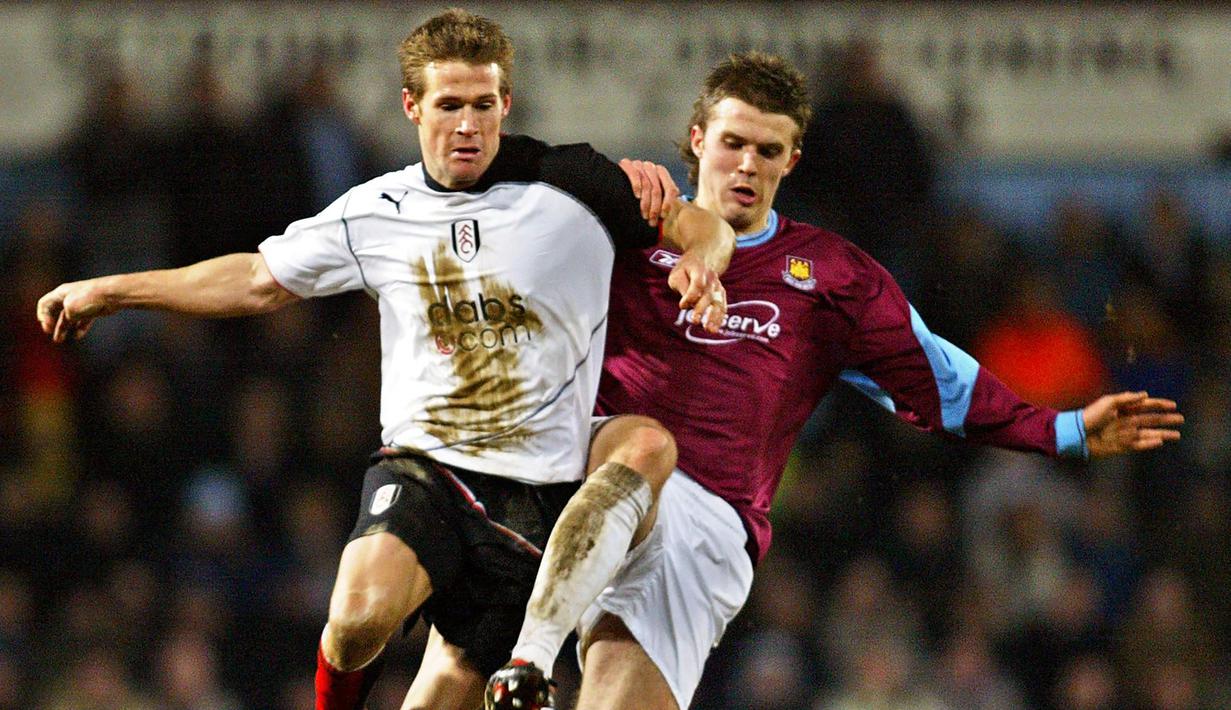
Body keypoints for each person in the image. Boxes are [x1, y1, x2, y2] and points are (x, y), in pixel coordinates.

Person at [35, 10, 735, 710]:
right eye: (449, 105)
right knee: (357, 620)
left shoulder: (575, 183)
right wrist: (113, 290)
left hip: (535, 500)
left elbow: (699, 224)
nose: (468, 124)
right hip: (424, 468)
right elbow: (254, 279)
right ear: (411, 106)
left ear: (506, 105)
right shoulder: (377, 208)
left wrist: (703, 262)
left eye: (483, 106)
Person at [488, 51, 1184, 710]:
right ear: (696, 140)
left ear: (792, 160)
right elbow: (502, 196)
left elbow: (938, 382)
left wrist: (1063, 430)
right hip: (593, 469)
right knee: (638, 452)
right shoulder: (628, 224)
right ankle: (526, 660)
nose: (746, 165)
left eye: (767, 151)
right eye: (732, 143)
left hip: (710, 527)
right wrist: (601, 178)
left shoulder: (830, 275)